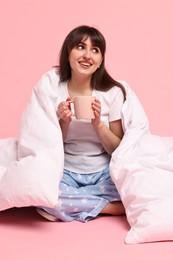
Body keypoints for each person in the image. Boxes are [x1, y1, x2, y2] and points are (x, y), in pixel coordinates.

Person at [37, 25, 126, 222]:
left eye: (95, 50)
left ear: (100, 60)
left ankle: (78, 205)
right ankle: (109, 208)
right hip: (65, 172)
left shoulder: (112, 93)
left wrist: (98, 125)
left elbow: (118, 150)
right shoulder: (53, 89)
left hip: (103, 174)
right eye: (80, 47)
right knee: (44, 195)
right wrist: (64, 121)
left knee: (132, 186)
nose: (87, 55)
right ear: (68, 53)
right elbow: (46, 146)